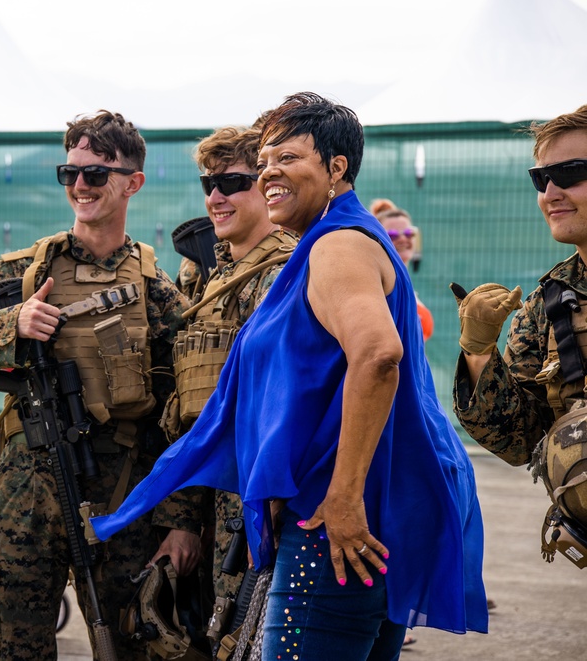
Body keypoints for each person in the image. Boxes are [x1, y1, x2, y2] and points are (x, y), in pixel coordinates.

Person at [91, 92, 488, 660]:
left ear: (336, 168)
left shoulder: (337, 244)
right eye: (266, 160)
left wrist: (345, 497)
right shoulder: (333, 242)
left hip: (336, 524)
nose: (270, 171)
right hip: (361, 517)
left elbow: (378, 356)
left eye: (289, 157)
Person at [0, 110, 199, 660]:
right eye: (69, 172)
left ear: (133, 183)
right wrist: (13, 324)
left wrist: (178, 520)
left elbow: (187, 413)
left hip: (124, 493)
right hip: (27, 489)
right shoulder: (20, 273)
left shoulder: (156, 289)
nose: (80, 185)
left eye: (96, 174)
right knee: (16, 645)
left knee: (130, 640)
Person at [162, 121, 297, 655]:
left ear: (266, 187)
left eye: (232, 183)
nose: (215, 197)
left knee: (252, 637)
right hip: (208, 490)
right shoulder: (203, 275)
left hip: (260, 497)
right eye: (207, 185)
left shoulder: (289, 269)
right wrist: (180, 519)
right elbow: (185, 405)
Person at [453, 105, 587, 559]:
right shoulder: (552, 302)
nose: (551, 192)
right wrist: (476, 351)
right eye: (540, 178)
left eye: (569, 173)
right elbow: (522, 438)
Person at [370, 198, 434, 341]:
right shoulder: (378, 287)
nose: (403, 239)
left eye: (408, 233)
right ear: (377, 239)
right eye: (392, 235)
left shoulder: (406, 284)